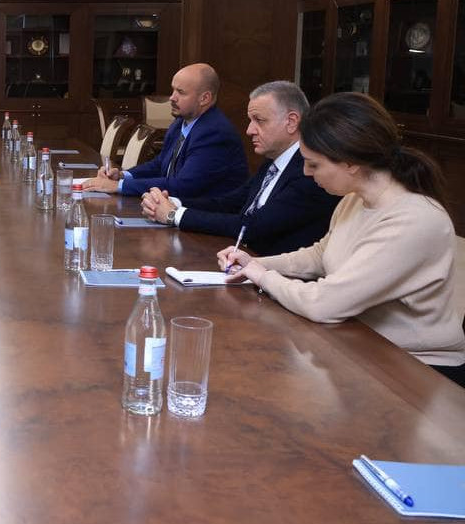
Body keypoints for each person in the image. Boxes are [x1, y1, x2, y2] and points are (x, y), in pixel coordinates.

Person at [220, 93, 465, 382]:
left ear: (350, 163)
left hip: (416, 369)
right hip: (360, 343)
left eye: (314, 164)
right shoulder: (355, 198)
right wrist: (256, 263)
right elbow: (320, 255)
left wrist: (263, 276)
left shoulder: (415, 220)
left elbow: (323, 304)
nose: (306, 173)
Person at [141, 81, 339, 256]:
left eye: (259, 120)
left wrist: (174, 215)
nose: (249, 130)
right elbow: (230, 202)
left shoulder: (309, 171)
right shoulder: (274, 161)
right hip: (241, 260)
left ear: (291, 122)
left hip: (277, 275)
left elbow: (253, 226)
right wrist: (172, 202)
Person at [83, 63, 247, 198]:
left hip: (203, 220)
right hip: (172, 208)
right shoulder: (180, 122)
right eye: (173, 90)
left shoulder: (214, 133)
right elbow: (160, 164)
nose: (172, 97)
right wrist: (122, 175)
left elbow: (183, 185)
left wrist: (118, 186)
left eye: (181, 92)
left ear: (205, 98)